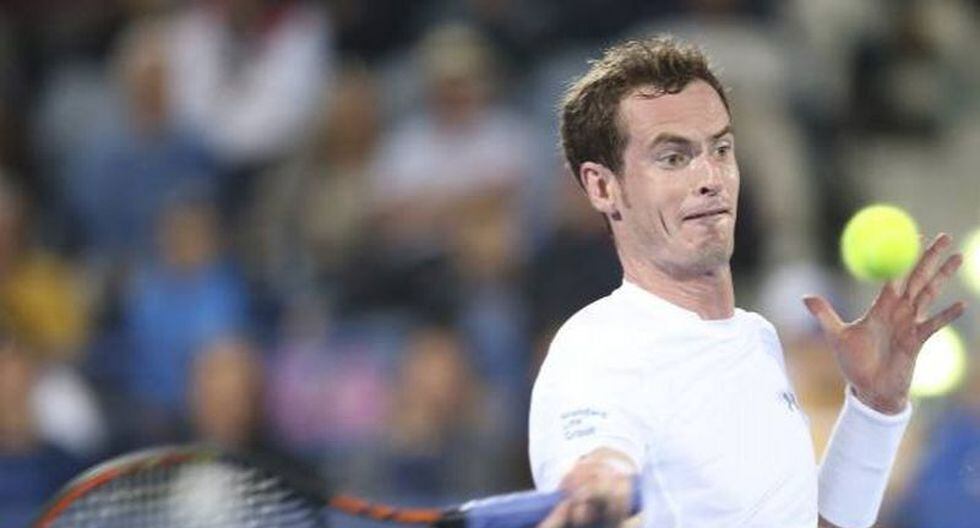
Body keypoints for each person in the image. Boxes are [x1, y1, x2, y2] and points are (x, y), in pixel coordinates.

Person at [527, 36, 966, 528]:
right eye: (673, 157)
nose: (711, 177)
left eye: (721, 149)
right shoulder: (596, 349)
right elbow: (594, 465)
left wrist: (875, 408)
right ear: (602, 186)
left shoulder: (756, 338)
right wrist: (597, 480)